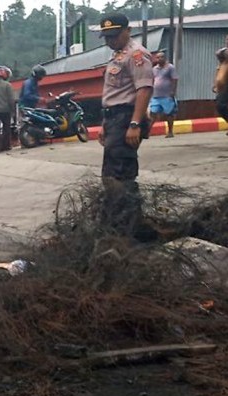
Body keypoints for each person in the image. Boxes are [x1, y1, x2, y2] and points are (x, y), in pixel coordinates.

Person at [97, 13, 153, 235]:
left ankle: (129, 227)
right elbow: (113, 92)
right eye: (107, 37)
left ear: (127, 31)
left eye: (115, 36)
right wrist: (104, 123)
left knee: (122, 174)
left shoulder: (136, 54)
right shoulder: (117, 56)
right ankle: (117, 222)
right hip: (113, 118)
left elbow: (144, 89)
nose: (110, 41)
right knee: (110, 173)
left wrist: (135, 123)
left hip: (126, 117)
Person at [149, 51, 179, 138]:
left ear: (165, 58)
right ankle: (147, 132)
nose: (159, 59)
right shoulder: (154, 69)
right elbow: (152, 80)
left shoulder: (170, 68)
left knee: (169, 113)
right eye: (157, 58)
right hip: (156, 95)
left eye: (161, 57)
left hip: (167, 95)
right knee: (152, 113)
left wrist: (173, 91)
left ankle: (170, 131)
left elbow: (175, 79)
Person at [214, 46, 228, 129]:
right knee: (220, 105)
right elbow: (218, 53)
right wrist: (215, 84)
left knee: (221, 105)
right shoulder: (223, 62)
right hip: (224, 84)